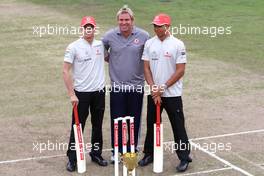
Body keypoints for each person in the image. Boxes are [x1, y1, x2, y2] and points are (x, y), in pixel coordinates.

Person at [138, 13, 192, 172]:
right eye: (154, 25)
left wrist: (163, 87)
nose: (156, 28)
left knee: (178, 125)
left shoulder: (177, 44)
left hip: (172, 94)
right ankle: (149, 154)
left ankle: (184, 156)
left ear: (167, 27)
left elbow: (180, 70)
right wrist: (153, 87)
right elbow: (146, 67)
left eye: (159, 26)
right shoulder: (149, 43)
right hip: (154, 93)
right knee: (151, 124)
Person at [102, 5, 149, 162]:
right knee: (117, 120)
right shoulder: (109, 36)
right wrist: (109, 57)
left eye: (127, 20)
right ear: (117, 21)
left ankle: (131, 150)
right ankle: (117, 151)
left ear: (132, 20)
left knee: (134, 120)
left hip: (136, 87)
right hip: (117, 87)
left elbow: (149, 55)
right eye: (121, 20)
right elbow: (100, 49)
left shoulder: (144, 36)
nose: (124, 23)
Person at [63, 16, 108, 172]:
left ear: (94, 29)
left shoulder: (101, 45)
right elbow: (65, 70)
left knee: (97, 125)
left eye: (91, 27)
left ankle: (96, 154)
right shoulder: (73, 47)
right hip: (81, 94)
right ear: (82, 29)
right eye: (86, 27)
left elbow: (111, 58)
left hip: (99, 92)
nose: (89, 29)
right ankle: (72, 158)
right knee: (77, 126)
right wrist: (71, 94)